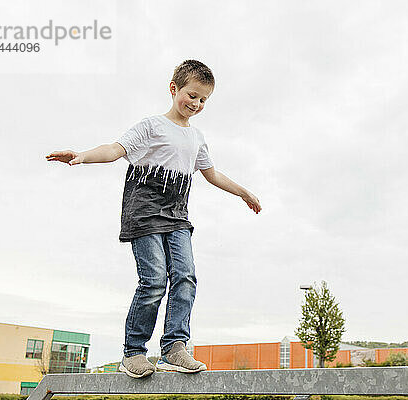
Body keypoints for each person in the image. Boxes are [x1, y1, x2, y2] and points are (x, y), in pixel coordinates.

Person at [46, 60, 262, 378]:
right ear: (174, 89)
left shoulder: (197, 137)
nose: (197, 104)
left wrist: (244, 193)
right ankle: (133, 352)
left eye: (204, 99)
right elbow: (115, 149)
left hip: (177, 218)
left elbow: (212, 174)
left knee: (185, 278)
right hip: (144, 215)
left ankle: (175, 347)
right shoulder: (151, 127)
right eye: (192, 95)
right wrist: (82, 156)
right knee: (154, 282)